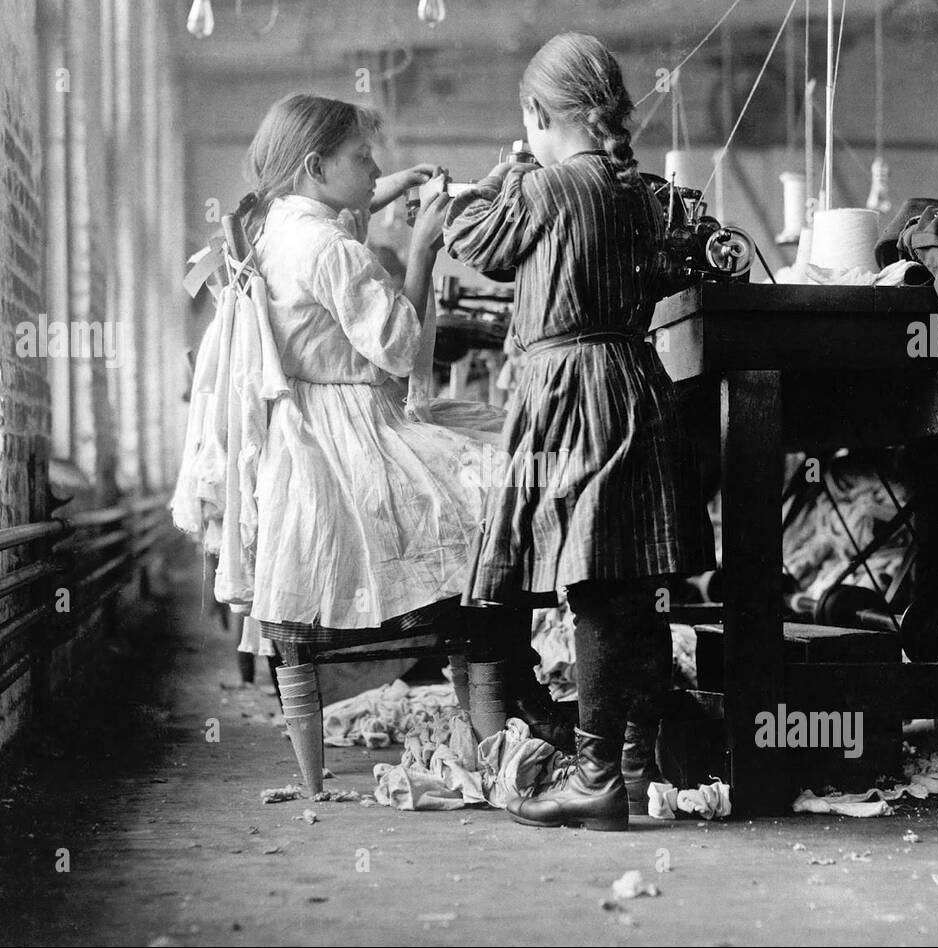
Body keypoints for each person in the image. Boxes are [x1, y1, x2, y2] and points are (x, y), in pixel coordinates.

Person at [445, 33, 715, 831]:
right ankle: (629, 762)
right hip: (636, 379)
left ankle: (597, 777)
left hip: (571, 390)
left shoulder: (546, 188)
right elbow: (685, 264)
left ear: (537, 113)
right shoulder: (646, 195)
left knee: (595, 582)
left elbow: (470, 243)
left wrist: (500, 176)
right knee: (630, 580)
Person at [233, 93, 564, 744]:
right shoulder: (331, 248)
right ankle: (512, 692)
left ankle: (507, 684)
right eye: (363, 158)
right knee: (504, 485)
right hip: (353, 444)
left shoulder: (278, 227)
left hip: (310, 434)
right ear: (316, 167)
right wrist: (423, 251)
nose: (375, 165)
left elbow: (340, 226)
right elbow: (404, 348)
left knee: (493, 453)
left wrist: (387, 191)